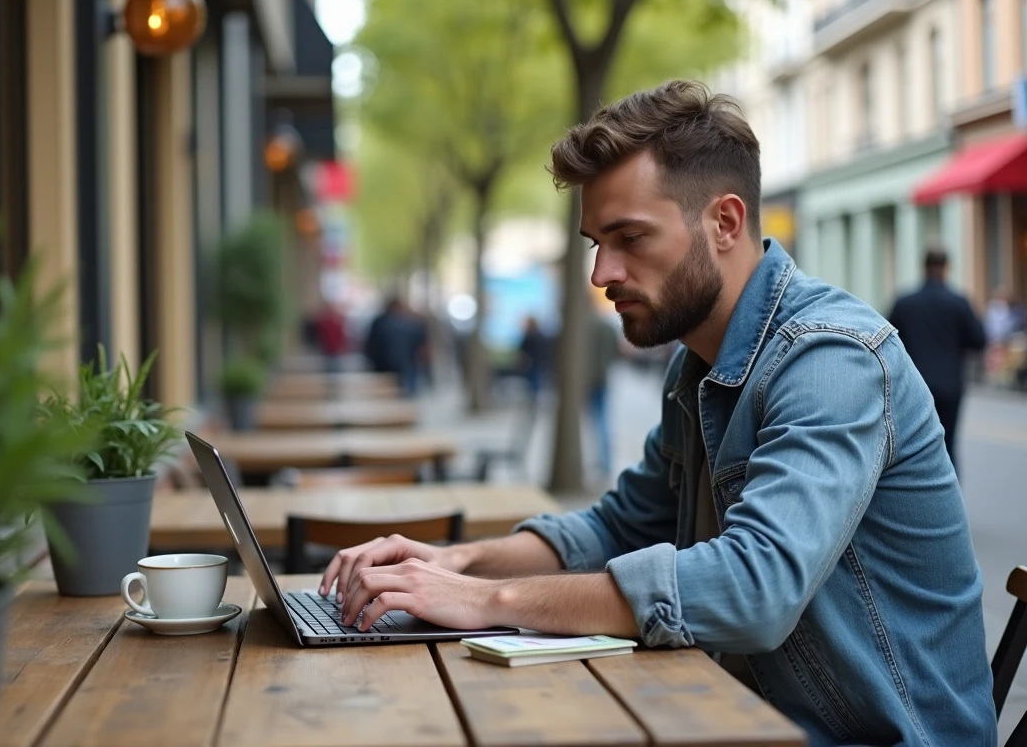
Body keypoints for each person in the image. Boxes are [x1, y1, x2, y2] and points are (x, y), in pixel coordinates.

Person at [319, 81, 995, 746]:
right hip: (737, 714)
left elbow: (753, 588)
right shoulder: (697, 365)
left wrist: (488, 603)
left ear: (724, 223)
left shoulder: (830, 360)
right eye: (595, 242)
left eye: (630, 238)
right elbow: (618, 526)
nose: (601, 272)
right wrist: (457, 565)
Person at [887, 249, 986, 470]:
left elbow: (888, 339)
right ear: (946, 268)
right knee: (948, 443)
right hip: (951, 384)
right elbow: (979, 340)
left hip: (916, 384)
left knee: (915, 444)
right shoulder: (958, 302)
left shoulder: (905, 303)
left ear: (924, 267)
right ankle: (950, 497)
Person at [585, 311, 622, 479]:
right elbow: (617, 351)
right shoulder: (607, 327)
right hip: (603, 376)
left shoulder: (587, 327)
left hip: (590, 378)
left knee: (597, 420)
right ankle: (604, 461)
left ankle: (603, 461)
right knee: (602, 419)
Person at [515, 316, 550, 398]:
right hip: (532, 363)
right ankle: (532, 397)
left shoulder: (534, 337)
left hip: (536, 363)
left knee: (534, 382)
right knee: (533, 382)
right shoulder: (531, 337)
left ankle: (533, 397)